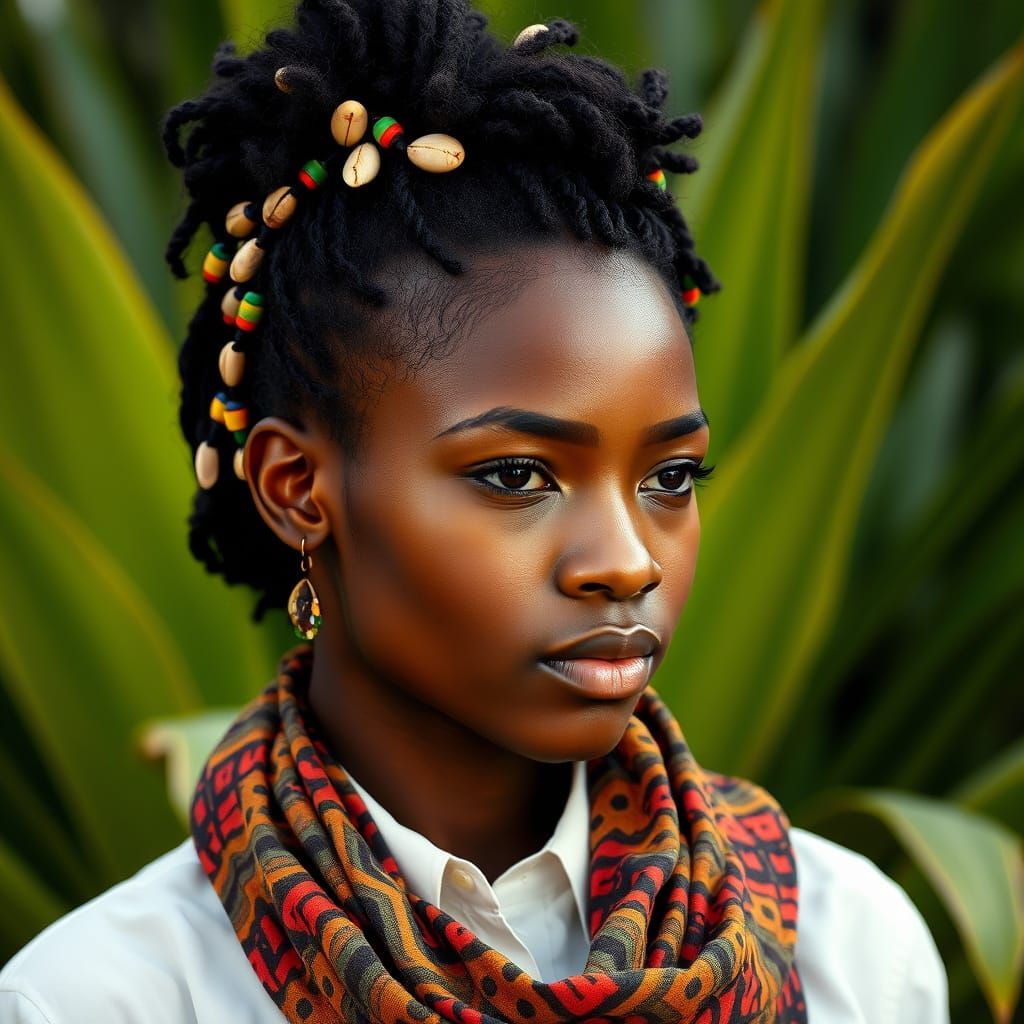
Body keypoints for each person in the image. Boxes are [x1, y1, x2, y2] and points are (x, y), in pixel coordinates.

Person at [0, 1, 949, 1021]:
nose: (626, 561)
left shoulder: (849, 945)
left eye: (669, 478)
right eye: (515, 476)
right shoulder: (108, 998)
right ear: (295, 490)